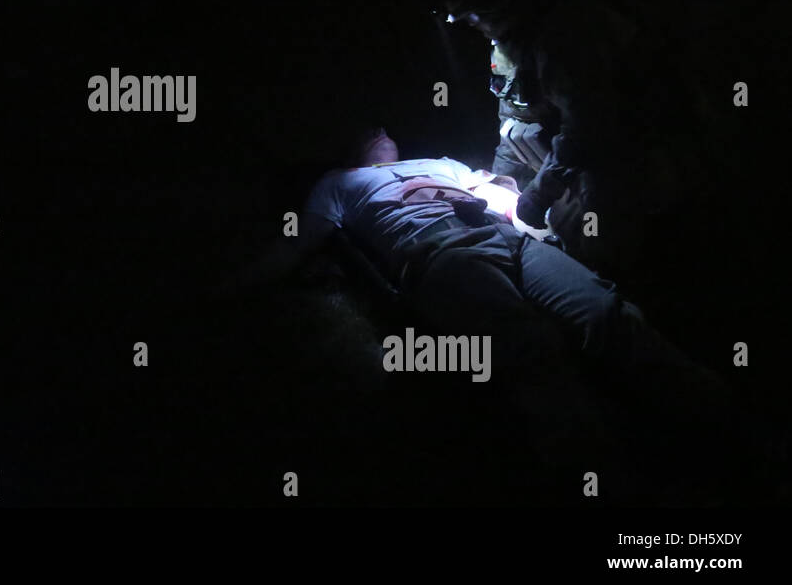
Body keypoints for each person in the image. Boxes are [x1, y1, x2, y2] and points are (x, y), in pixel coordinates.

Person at [231, 130, 747, 490]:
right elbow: (294, 241)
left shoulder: (441, 161)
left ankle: (729, 426)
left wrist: (535, 221)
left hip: (511, 241)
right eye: (367, 130)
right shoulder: (339, 183)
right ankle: (610, 485)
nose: (379, 131)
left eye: (381, 126)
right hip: (441, 253)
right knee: (531, 353)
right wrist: (232, 284)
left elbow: (506, 200)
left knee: (606, 314)